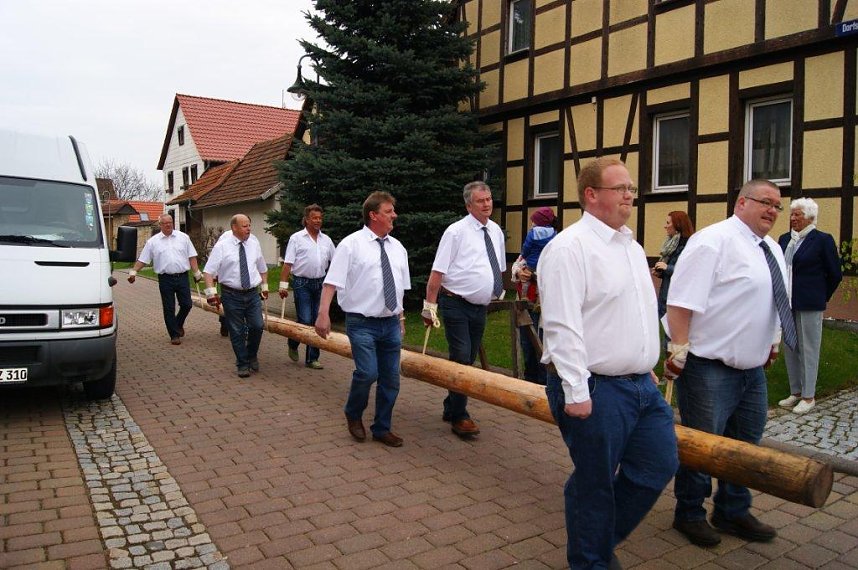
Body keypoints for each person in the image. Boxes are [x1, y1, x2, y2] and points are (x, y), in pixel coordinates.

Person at [537, 157, 679, 569]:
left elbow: (634, 310)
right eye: (621, 188)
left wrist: (642, 356)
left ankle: (595, 541)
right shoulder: (569, 248)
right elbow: (562, 325)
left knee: (658, 463)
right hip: (594, 388)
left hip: (640, 385)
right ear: (591, 195)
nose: (630, 195)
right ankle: (591, 558)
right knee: (595, 482)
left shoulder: (631, 247)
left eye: (632, 188)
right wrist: (576, 391)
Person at [666, 179, 795, 548]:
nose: (772, 210)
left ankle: (732, 510)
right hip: (709, 367)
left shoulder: (770, 247)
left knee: (745, 445)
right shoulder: (712, 241)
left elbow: (773, 299)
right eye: (765, 202)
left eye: (777, 205)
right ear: (741, 203)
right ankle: (689, 513)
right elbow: (680, 301)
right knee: (703, 446)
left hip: (751, 370)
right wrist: (678, 348)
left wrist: (771, 341)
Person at [315, 191, 410, 448]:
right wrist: (323, 313)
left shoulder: (398, 248)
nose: (394, 215)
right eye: (389, 211)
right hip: (361, 322)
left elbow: (399, 287)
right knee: (368, 372)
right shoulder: (351, 244)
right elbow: (331, 282)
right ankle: (353, 412)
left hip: (390, 322)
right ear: (373, 214)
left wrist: (400, 318)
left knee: (391, 379)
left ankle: (382, 427)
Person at [422, 181, 506, 438]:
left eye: (489, 199)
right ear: (469, 205)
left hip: (479, 307)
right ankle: (460, 416)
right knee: (461, 358)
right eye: (481, 201)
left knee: (467, 359)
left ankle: (451, 405)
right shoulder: (456, 232)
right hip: (455, 303)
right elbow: (438, 271)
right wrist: (429, 307)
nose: (487, 204)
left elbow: (497, 267)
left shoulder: (496, 232)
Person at [777, 198, 842, 414]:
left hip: (810, 303)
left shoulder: (822, 240)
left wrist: (821, 296)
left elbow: (834, 273)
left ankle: (808, 395)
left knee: (809, 349)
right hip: (787, 303)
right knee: (791, 346)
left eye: (798, 214)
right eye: (792, 214)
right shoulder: (785, 239)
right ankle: (795, 391)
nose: (793, 218)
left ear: (811, 217)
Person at [203, 214, 269, 378]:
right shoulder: (223, 246)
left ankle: (251, 354)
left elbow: (262, 267)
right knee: (236, 331)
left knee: (257, 326)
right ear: (234, 228)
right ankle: (242, 363)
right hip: (231, 294)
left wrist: (265, 286)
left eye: (249, 225)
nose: (249, 229)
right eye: (245, 226)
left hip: (252, 293)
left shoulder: (254, 243)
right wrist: (211, 293)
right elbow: (209, 272)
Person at [128, 213, 202, 345]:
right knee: (169, 307)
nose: (168, 225)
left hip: (182, 276)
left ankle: (178, 324)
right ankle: (174, 335)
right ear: (160, 225)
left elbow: (192, 256)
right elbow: (143, 259)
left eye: (170, 222)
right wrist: (134, 271)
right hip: (165, 279)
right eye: (165, 223)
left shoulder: (183, 238)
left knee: (187, 304)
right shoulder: (153, 242)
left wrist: (196, 272)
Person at [278, 204, 335, 370]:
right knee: (304, 319)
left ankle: (312, 358)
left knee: (318, 321)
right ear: (307, 220)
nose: (318, 221)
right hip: (301, 282)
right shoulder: (297, 238)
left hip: (320, 284)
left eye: (320, 218)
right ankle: (293, 341)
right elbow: (288, 263)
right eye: (314, 218)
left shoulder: (327, 240)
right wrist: (283, 285)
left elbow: (337, 261)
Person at [511, 206, 558, 384]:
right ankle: (529, 379)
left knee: (543, 344)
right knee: (526, 344)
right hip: (525, 303)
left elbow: (557, 274)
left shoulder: (556, 245)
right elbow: (517, 264)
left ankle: (544, 381)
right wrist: (519, 272)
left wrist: (535, 276)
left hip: (545, 305)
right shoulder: (530, 248)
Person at [653, 211, 694, 321]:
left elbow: (689, 272)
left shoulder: (689, 246)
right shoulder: (671, 244)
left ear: (677, 225)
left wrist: (667, 268)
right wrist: (661, 272)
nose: (665, 226)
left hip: (677, 298)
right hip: (666, 294)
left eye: (668, 223)